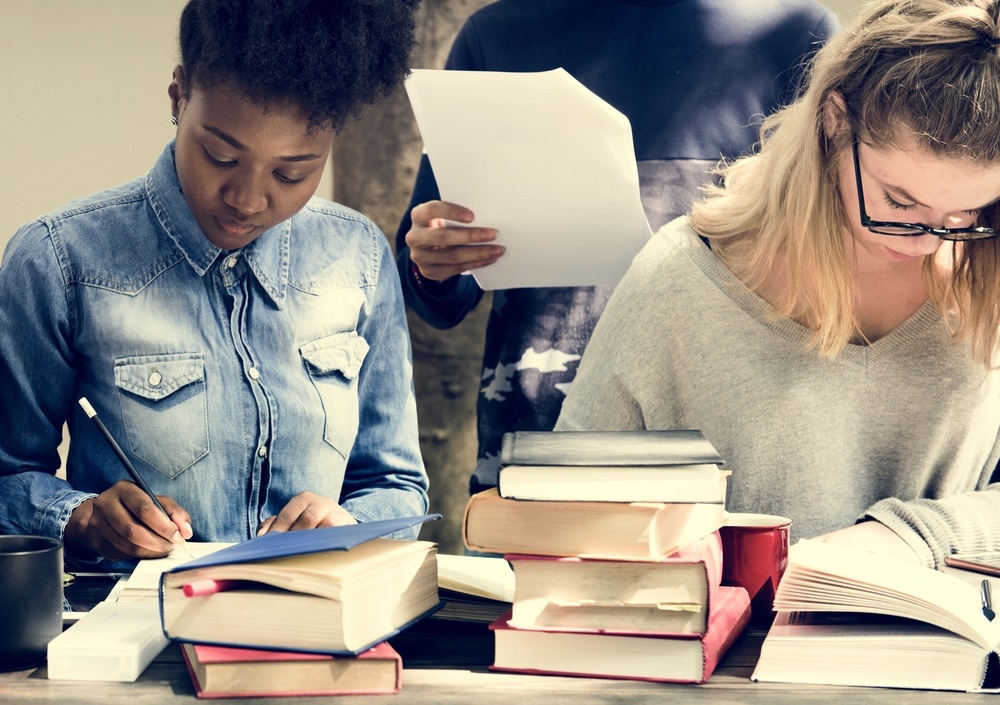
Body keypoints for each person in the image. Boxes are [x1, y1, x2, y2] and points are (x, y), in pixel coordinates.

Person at [556, 0, 1000, 568]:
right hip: (723, 649)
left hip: (943, 648)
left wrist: (914, 536)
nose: (926, 242)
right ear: (834, 119)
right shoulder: (685, 276)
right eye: (899, 202)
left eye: (964, 214)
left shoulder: (982, 270)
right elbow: (568, 506)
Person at [0, 0, 428, 564]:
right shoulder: (58, 259)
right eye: (220, 155)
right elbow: (9, 477)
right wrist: (78, 517)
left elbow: (398, 486)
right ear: (178, 98)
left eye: (291, 172)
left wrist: (350, 524)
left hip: (317, 626)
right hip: (134, 629)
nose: (248, 200)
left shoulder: (360, 256)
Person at [396, 0, 841, 494]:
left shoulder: (797, 36)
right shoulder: (497, 36)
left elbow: (830, 266)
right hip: (539, 456)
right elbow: (434, 291)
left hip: (722, 456)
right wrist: (433, 264)